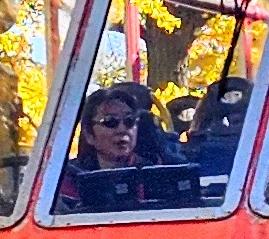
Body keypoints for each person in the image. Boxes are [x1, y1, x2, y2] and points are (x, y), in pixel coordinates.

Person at [58, 81, 184, 211]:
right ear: (89, 134)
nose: (122, 129)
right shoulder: (67, 180)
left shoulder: (159, 176)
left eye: (129, 121)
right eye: (110, 122)